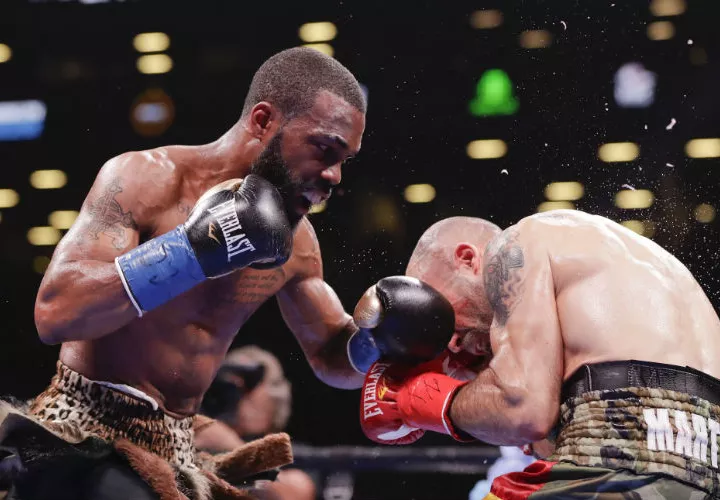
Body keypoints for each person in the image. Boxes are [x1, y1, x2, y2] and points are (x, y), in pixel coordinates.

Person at [0, 47, 377, 500]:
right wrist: (191, 251)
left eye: (345, 160)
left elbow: (333, 359)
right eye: (324, 149)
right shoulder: (145, 179)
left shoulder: (297, 243)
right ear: (263, 121)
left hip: (177, 453)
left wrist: (381, 338)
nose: (335, 176)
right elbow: (55, 312)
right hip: (81, 436)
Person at [355, 212, 720, 499]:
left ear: (467, 259)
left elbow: (523, 411)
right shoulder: (626, 271)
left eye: (440, 313)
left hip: (614, 467)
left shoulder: (515, 244)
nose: (449, 341)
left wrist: (413, 400)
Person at [194, 346, 315, 500]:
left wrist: (234, 449)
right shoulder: (199, 439)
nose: (234, 392)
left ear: (274, 398)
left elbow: (295, 493)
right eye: (226, 383)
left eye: (249, 382)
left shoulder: (289, 454)